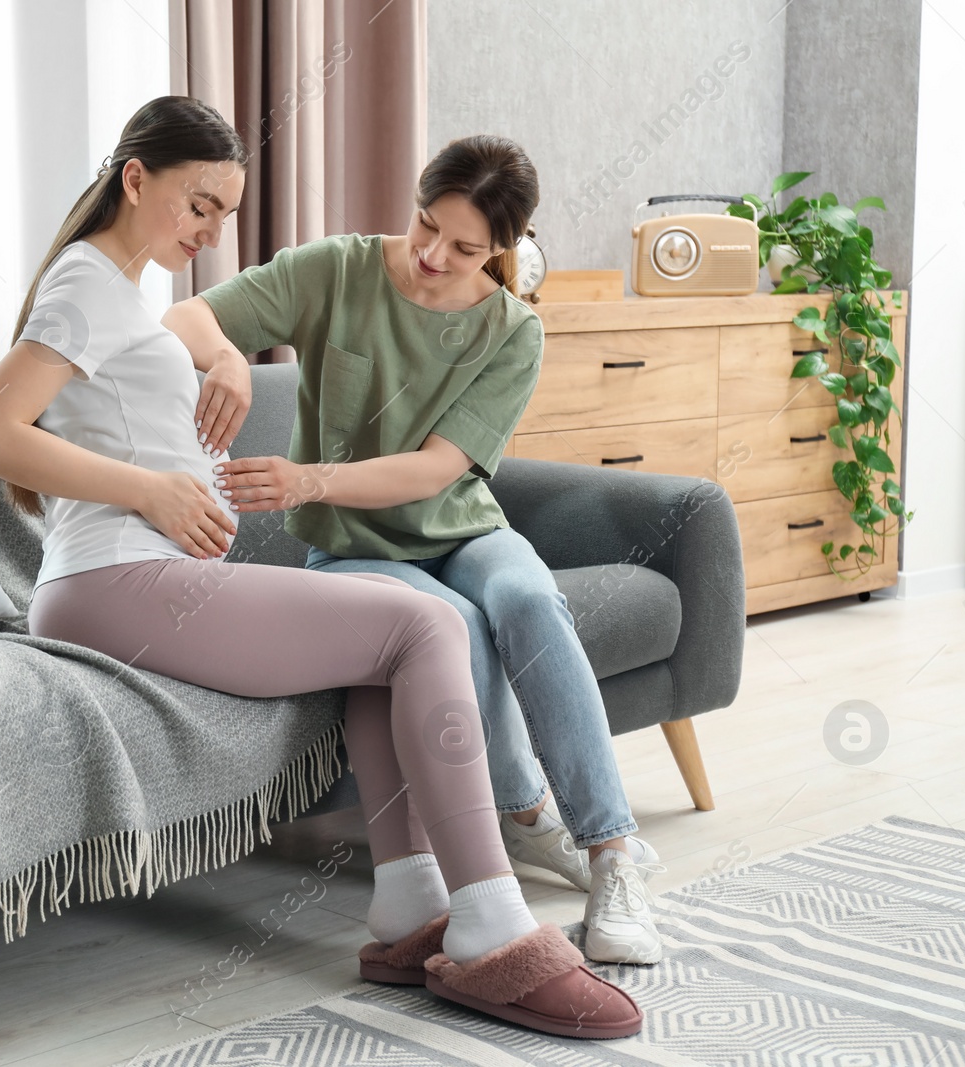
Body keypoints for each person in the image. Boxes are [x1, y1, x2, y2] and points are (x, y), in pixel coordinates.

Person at [0, 95, 643, 1039]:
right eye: (197, 206)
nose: (206, 233)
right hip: (111, 579)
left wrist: (226, 367)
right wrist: (149, 491)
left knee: (385, 629)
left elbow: (186, 354)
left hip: (131, 578)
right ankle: (491, 925)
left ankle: (409, 908)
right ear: (134, 178)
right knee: (426, 622)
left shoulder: (122, 291)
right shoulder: (85, 284)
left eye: (223, 217)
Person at [161, 133, 665, 966]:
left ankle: (611, 856)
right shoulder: (337, 269)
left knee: (530, 598)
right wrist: (224, 356)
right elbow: (186, 315)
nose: (433, 255)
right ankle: (526, 812)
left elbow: (438, 469)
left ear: (507, 247)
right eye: (426, 225)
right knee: (452, 625)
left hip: (463, 526)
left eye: (466, 248)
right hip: (354, 552)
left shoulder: (512, 332)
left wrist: (305, 480)